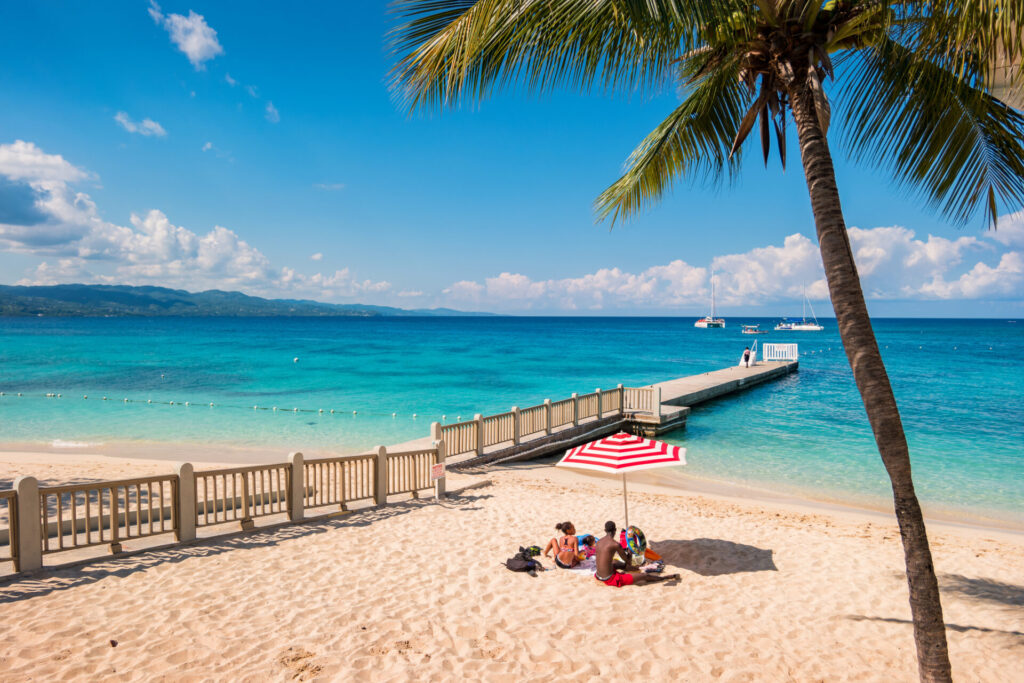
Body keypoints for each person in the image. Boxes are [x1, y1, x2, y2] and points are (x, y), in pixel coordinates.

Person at [594, 521, 679, 586]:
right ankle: (665, 578)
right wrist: (631, 551)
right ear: (615, 530)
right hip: (609, 579)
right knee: (644, 576)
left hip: (598, 575)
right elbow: (628, 561)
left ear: (605, 530)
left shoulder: (598, 542)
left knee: (615, 562)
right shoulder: (615, 544)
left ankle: (635, 569)